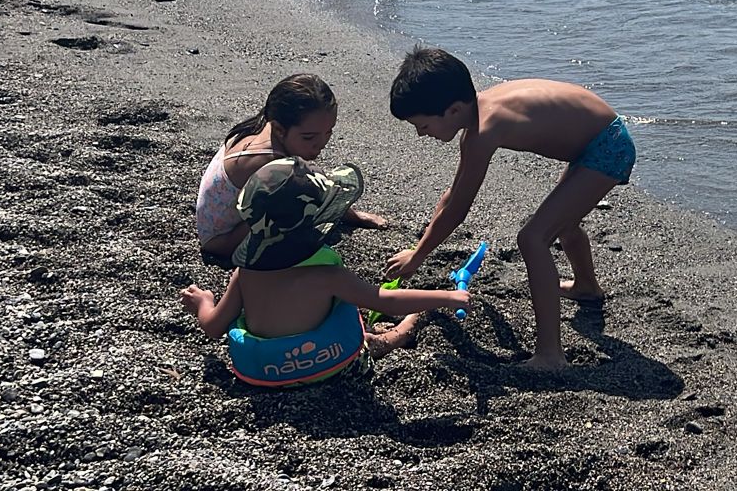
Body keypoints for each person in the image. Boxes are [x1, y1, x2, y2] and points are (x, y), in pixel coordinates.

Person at [384, 48, 636, 371]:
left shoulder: (485, 129)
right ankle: (586, 287)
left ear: (454, 110)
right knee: (564, 222)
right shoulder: (478, 113)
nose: (421, 134)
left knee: (533, 238)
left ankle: (550, 355)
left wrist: (418, 257)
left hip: (608, 147)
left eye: (423, 125)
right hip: (600, 137)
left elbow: (458, 209)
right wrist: (418, 248)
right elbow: (452, 195)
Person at [179, 157, 469, 387]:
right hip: (329, 369)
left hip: (266, 376)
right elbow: (385, 300)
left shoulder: (245, 274)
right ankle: (397, 335)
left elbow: (213, 327)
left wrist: (204, 303)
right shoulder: (326, 276)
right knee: (368, 334)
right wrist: (446, 297)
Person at [193, 74, 386, 258]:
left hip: (219, 225)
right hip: (224, 242)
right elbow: (319, 196)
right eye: (308, 137)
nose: (321, 144)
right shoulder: (269, 163)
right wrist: (354, 217)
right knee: (299, 201)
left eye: (329, 132)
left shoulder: (260, 127)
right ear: (279, 129)